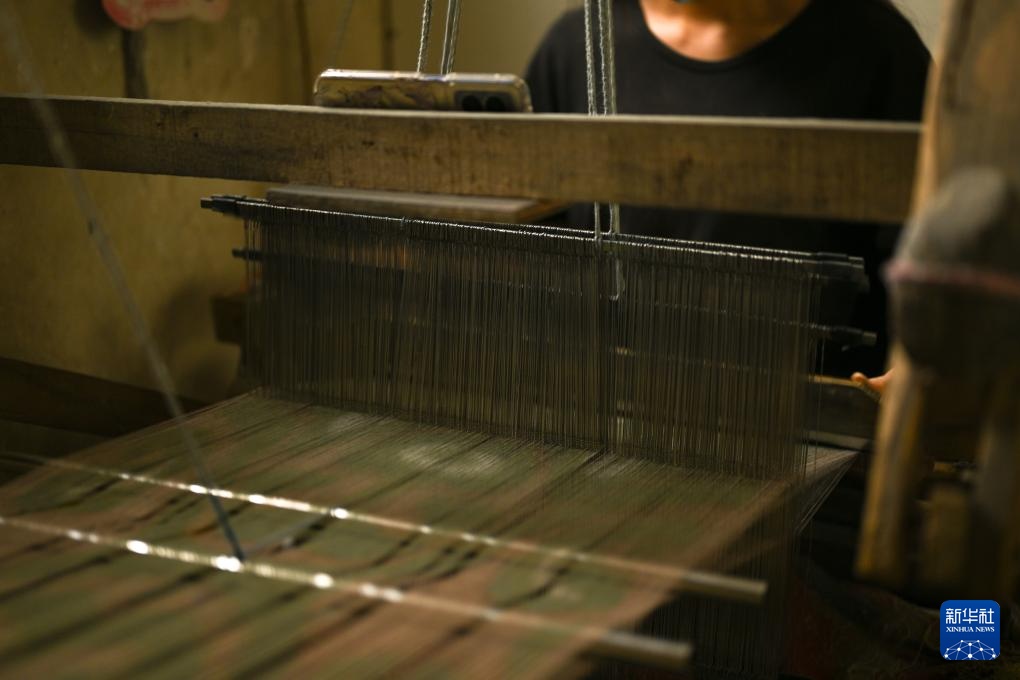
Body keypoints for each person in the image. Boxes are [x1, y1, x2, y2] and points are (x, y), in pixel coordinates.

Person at [525, 0, 931, 383]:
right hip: (598, 413)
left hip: (819, 424)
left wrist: (918, 378)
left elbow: (931, 301)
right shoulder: (576, 48)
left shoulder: (881, 53)